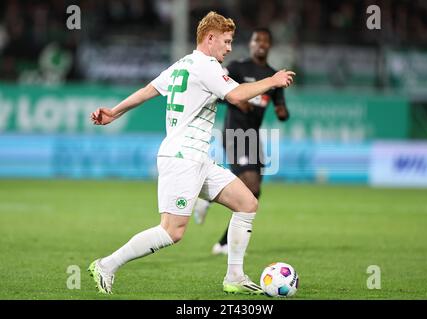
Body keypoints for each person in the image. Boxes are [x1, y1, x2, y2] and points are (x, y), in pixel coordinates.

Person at [88, 11, 295, 295]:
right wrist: (272, 80)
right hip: (182, 158)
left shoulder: (183, 64)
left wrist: (115, 111)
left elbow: (149, 90)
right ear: (210, 38)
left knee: (247, 203)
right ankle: (107, 265)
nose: (229, 47)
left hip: (199, 159)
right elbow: (236, 96)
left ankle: (235, 276)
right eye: (226, 40)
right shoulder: (206, 66)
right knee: (172, 231)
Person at [193, 28, 289, 256]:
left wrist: (282, 110)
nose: (261, 44)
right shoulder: (237, 68)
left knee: (253, 193)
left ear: (270, 45)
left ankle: (223, 240)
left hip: (253, 137)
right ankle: (208, 200)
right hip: (235, 134)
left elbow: (280, 108)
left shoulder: (272, 76)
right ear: (251, 44)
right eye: (257, 40)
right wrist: (237, 101)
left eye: (265, 40)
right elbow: (215, 93)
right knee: (251, 186)